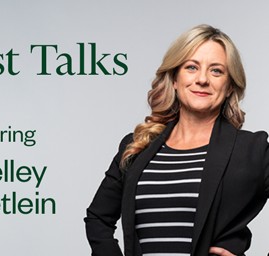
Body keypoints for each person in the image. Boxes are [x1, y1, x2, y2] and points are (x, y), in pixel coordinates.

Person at [84, 24, 269, 256]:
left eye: (216, 71)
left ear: (230, 85)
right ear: (174, 78)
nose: (202, 79)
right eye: (191, 67)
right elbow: (98, 218)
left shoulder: (253, 151)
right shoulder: (137, 146)